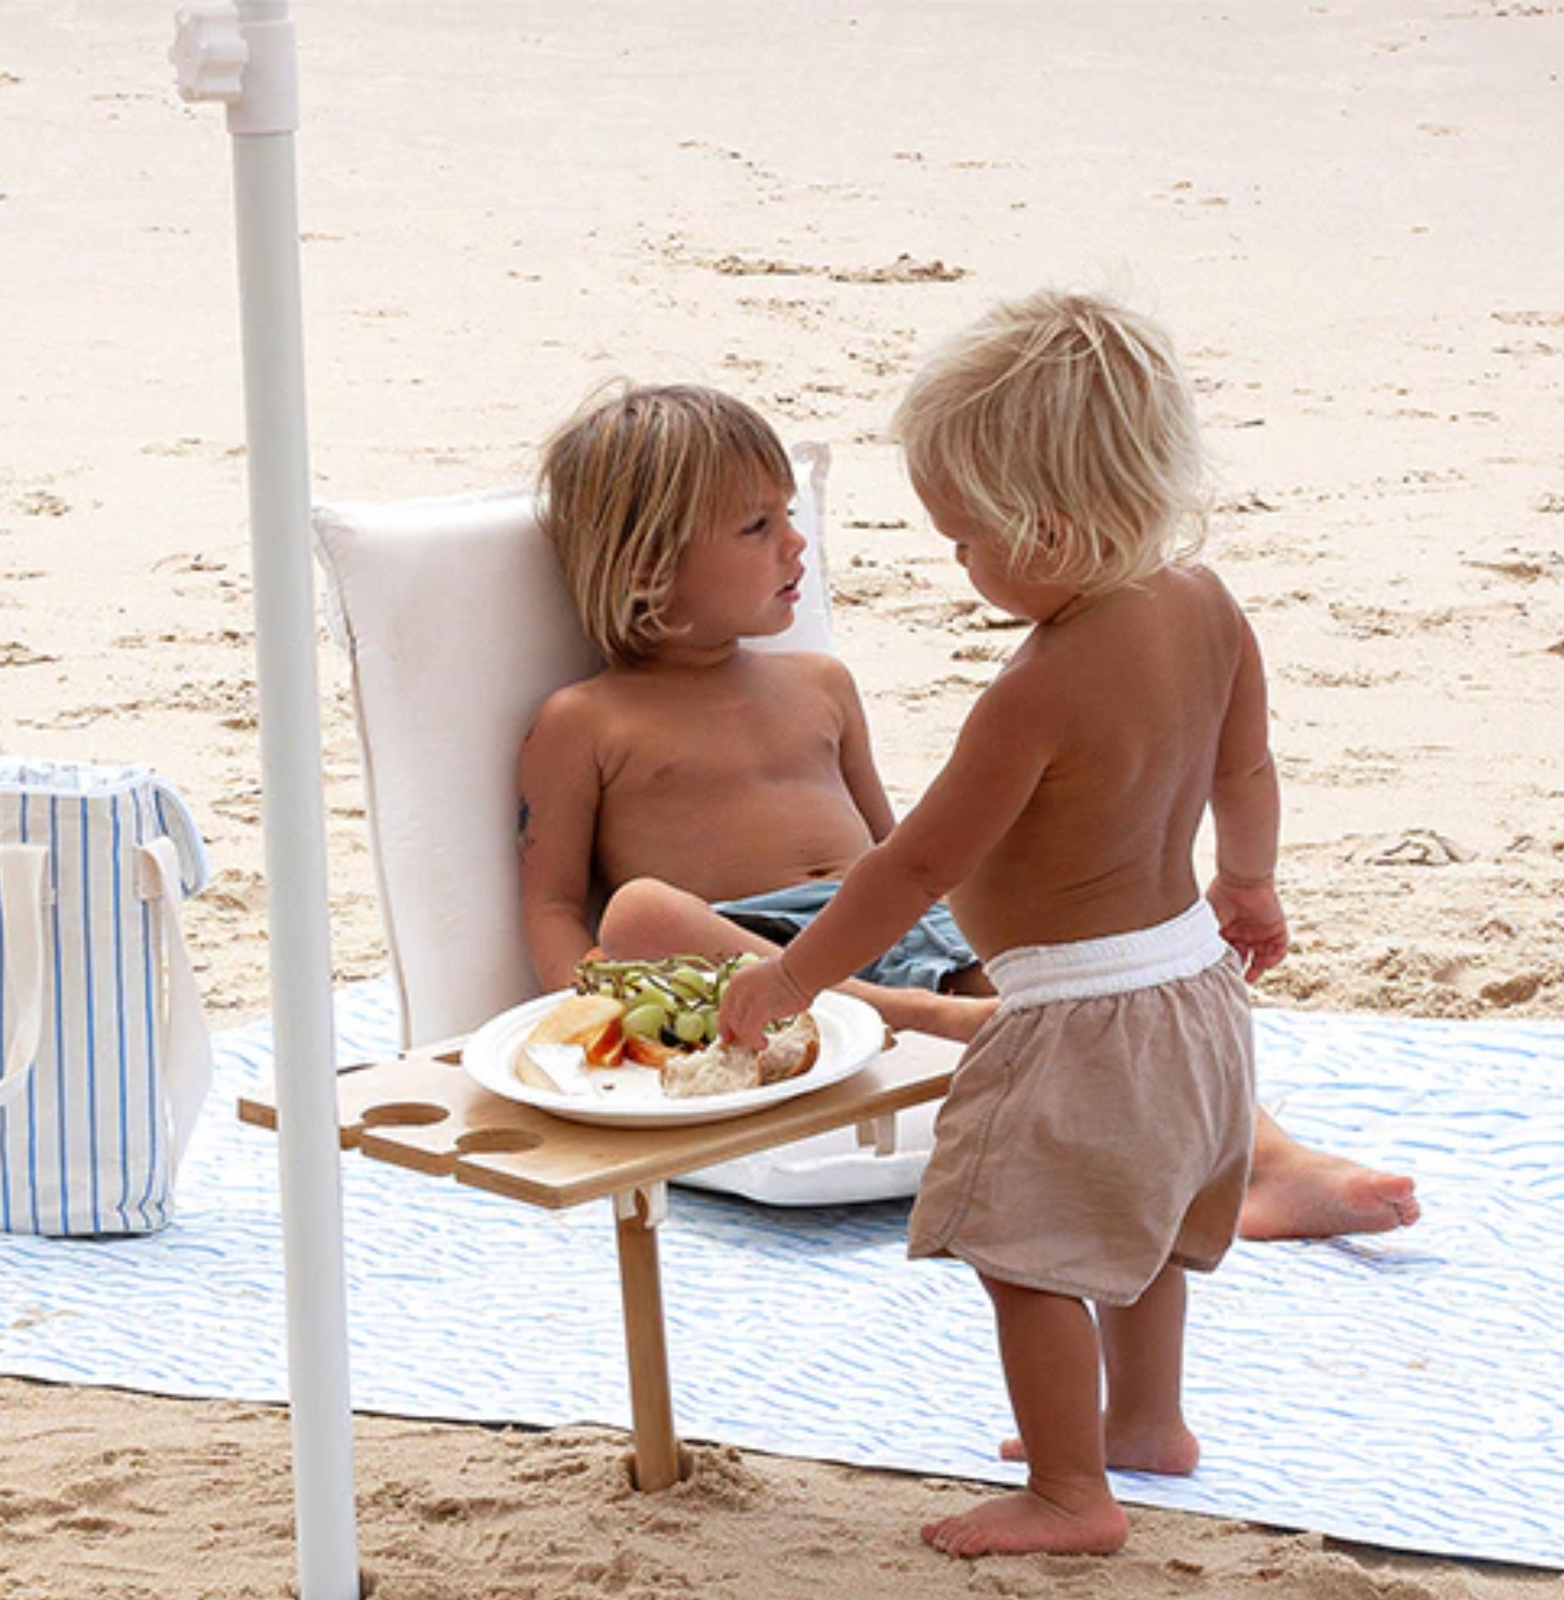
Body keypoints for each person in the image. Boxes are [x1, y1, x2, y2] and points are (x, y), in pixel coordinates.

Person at [518, 377, 1417, 1247]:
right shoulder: (587, 720)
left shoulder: (819, 684)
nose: (798, 544)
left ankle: (1269, 1158)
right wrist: (585, 1010)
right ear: (645, 569)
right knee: (638, 909)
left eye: (791, 514)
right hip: (747, 948)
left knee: (1089, 978)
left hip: (888, 920)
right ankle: (910, 1016)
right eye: (758, 526)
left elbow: (898, 852)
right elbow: (555, 904)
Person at [714, 291, 1304, 1555]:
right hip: (1196, 988)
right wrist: (1247, 884)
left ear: (1046, 524)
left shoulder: (1037, 689)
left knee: (1030, 1253)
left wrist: (792, 978)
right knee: (1138, 1226)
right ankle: (1146, 1421)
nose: (961, 566)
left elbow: (912, 866)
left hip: (1077, 1016)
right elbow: (1244, 770)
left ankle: (1068, 1490)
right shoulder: (1202, 600)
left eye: (967, 540)